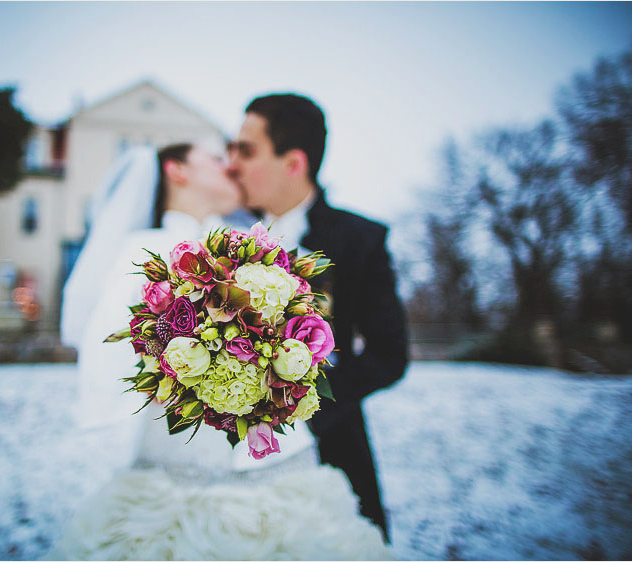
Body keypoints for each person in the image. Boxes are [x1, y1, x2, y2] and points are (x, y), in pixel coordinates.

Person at [50, 142, 392, 560]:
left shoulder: (245, 245)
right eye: (214, 159)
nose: (229, 166)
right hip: (182, 459)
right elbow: (118, 348)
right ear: (177, 170)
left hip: (282, 460)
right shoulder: (143, 250)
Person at [228, 93, 409, 544]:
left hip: (327, 445)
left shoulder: (359, 239)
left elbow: (390, 355)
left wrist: (302, 405)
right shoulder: (218, 236)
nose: (232, 164)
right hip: (225, 454)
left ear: (293, 163)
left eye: (246, 151)